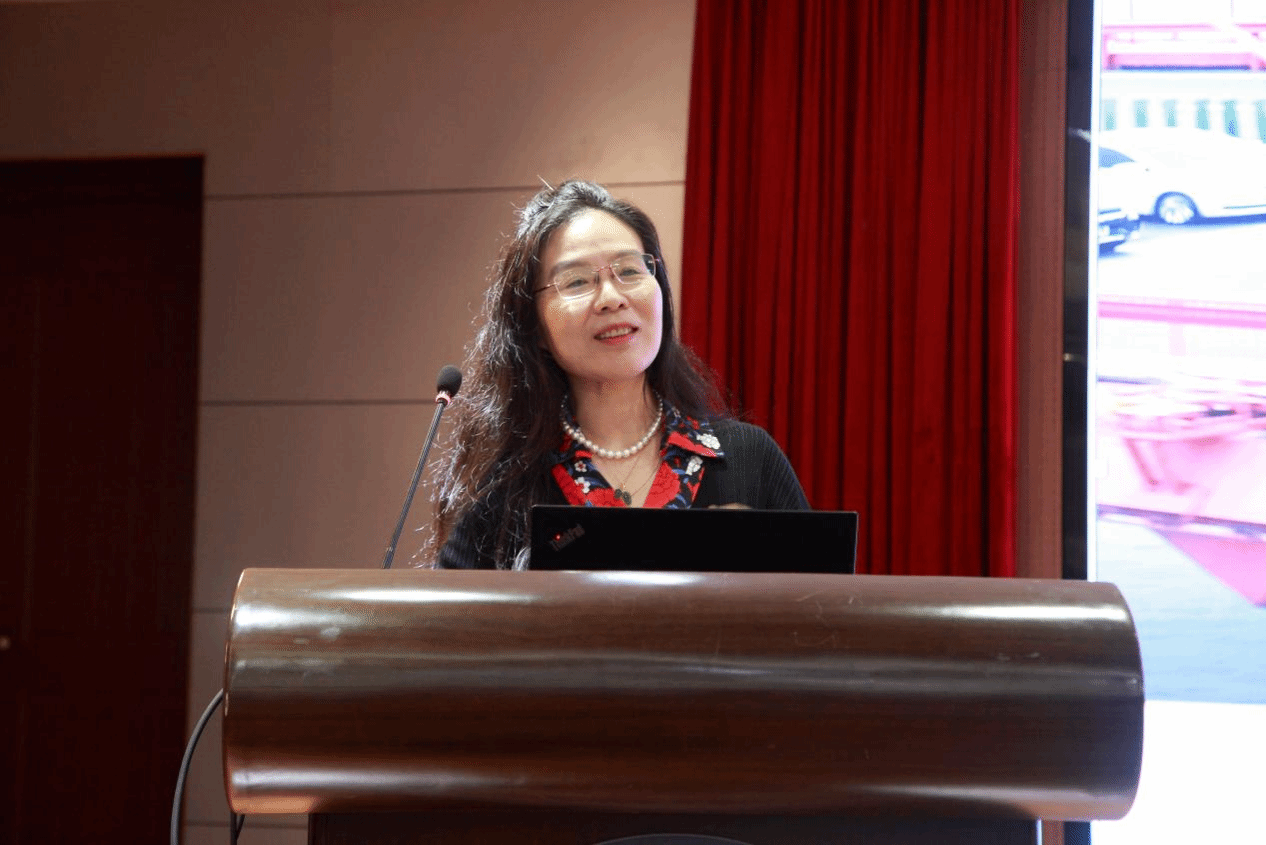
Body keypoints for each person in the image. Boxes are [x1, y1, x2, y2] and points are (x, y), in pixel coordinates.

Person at [431, 179, 808, 570]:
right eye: (577, 281)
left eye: (629, 270)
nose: (612, 298)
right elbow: (449, 608)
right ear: (535, 326)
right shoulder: (504, 487)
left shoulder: (748, 460)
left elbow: (824, 602)